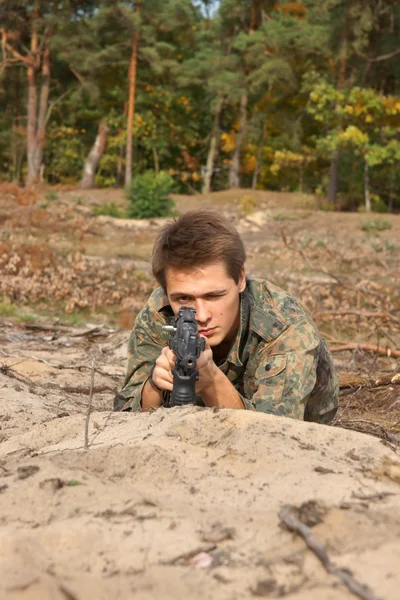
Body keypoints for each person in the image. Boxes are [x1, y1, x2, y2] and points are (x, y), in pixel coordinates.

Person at [114, 209, 339, 423]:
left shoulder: (285, 326)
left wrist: (211, 379)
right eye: (184, 299)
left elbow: (273, 435)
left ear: (240, 278)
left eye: (214, 295)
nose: (201, 315)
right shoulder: (160, 309)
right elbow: (124, 409)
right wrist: (155, 385)